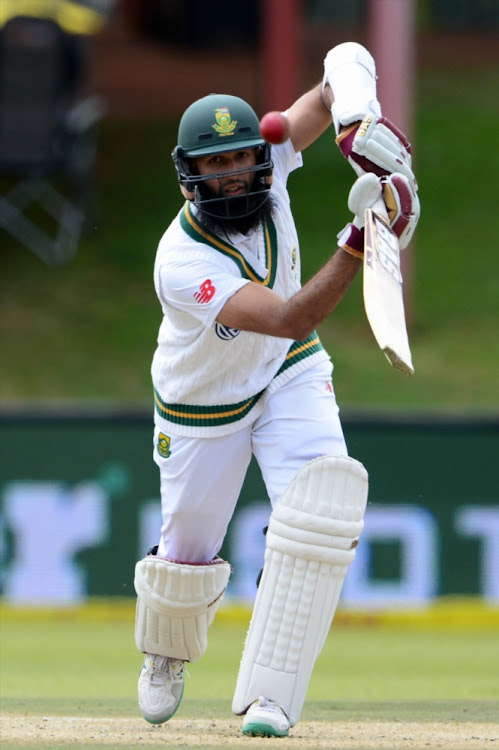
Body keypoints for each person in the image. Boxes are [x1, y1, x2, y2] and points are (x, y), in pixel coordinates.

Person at [133, 41, 420, 737]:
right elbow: (289, 315)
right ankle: (166, 653)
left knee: (322, 509)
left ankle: (270, 692)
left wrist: (356, 126)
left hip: (289, 371)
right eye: (214, 165)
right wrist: (361, 235)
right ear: (187, 178)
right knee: (186, 557)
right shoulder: (181, 262)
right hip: (203, 404)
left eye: (241, 160)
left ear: (265, 156)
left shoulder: (279, 154)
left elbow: (336, 72)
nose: (232, 177)